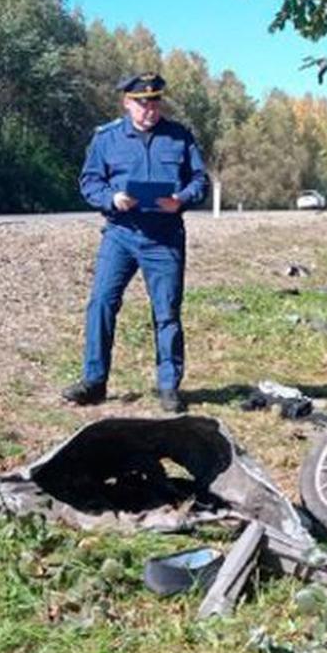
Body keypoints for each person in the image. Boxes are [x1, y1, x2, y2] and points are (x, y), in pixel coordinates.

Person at [61, 73, 209, 413]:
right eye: (142, 103)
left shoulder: (179, 137)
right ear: (127, 103)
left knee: (167, 312)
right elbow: (89, 182)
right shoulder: (106, 139)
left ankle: (169, 386)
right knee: (101, 303)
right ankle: (94, 381)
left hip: (164, 238)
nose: (149, 109)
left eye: (155, 102)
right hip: (121, 234)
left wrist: (181, 199)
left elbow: (200, 180)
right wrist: (112, 198)